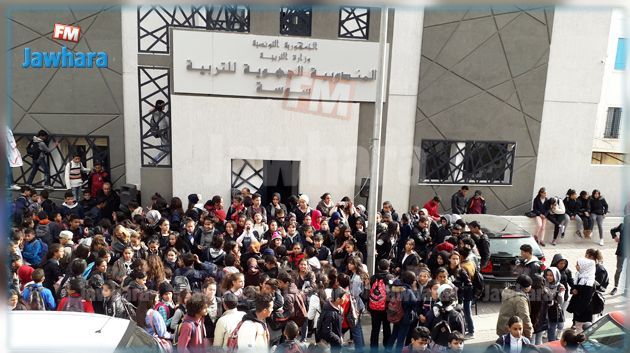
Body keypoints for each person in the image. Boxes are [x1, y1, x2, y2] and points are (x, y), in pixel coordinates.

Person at [496, 275, 533, 339]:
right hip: (512, 332)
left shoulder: (508, 291)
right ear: (526, 288)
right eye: (530, 285)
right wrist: (529, 333)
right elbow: (525, 317)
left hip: (502, 327)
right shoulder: (520, 299)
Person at [566, 257, 596, 330]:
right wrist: (573, 290)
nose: (576, 266)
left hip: (583, 311)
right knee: (578, 327)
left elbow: (586, 299)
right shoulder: (579, 275)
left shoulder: (589, 281)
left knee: (581, 330)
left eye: (578, 265)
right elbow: (574, 287)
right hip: (578, 308)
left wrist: (578, 311)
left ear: (584, 266)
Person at [544, 267, 565, 342]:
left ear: (556, 276)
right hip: (545, 310)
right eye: (547, 275)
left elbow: (561, 301)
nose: (548, 277)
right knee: (549, 329)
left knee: (552, 329)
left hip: (554, 311)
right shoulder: (544, 284)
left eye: (551, 275)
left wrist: (559, 293)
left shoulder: (560, 286)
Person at [609, 219, 626, 295]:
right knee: (619, 269)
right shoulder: (623, 225)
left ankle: (626, 289)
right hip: (621, 251)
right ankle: (615, 287)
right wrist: (615, 237)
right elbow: (612, 230)